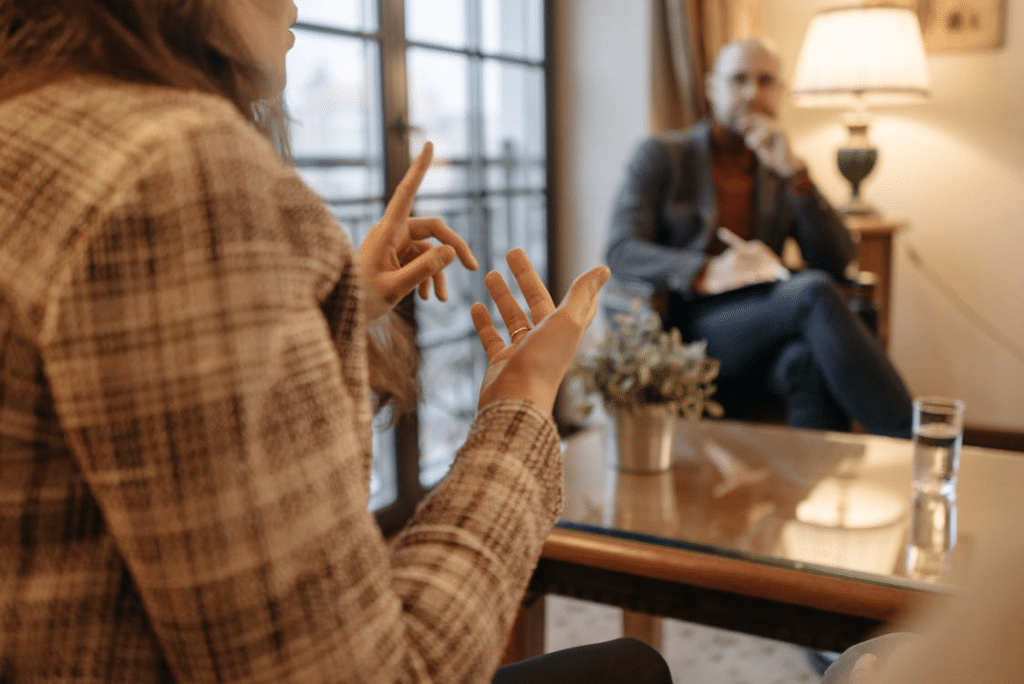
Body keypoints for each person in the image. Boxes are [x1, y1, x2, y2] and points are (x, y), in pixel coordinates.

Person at [0, 1, 674, 682]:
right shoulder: (171, 168)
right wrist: (523, 405)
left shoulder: (33, 123)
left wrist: (341, 299)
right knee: (634, 673)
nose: (294, 3)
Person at [605, 37, 913, 438]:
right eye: (739, 80)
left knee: (804, 362)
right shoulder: (662, 155)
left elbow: (838, 260)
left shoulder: (779, 166)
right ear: (711, 88)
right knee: (813, 293)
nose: (753, 93)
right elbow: (621, 250)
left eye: (766, 81)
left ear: (779, 92)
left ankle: (805, 498)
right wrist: (707, 270)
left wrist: (796, 175)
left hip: (763, 322)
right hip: (689, 327)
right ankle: (910, 442)